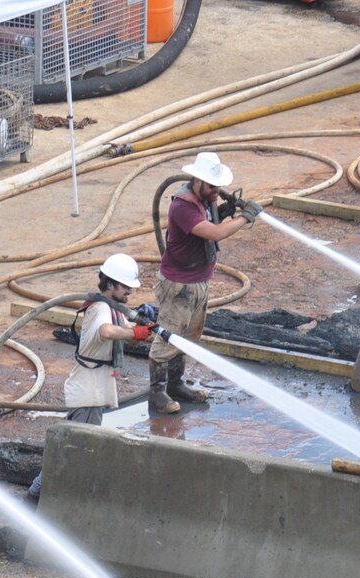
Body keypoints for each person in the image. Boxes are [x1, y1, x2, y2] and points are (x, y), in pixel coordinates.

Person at [27, 253, 162, 502]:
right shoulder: (100, 308)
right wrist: (136, 333)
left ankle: (45, 494)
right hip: (88, 392)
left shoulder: (110, 305)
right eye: (126, 287)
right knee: (72, 450)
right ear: (110, 284)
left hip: (92, 387)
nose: (130, 292)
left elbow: (121, 317)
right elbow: (106, 331)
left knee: (75, 446)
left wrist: (143, 317)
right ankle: (35, 497)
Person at [149, 151, 262, 414]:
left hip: (199, 281)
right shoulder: (183, 206)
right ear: (197, 181)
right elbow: (213, 232)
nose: (217, 191)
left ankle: (175, 385)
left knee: (187, 338)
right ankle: (157, 394)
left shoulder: (204, 199)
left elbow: (211, 224)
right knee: (168, 338)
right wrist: (244, 217)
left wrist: (222, 211)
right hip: (179, 285)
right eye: (212, 186)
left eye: (218, 186)